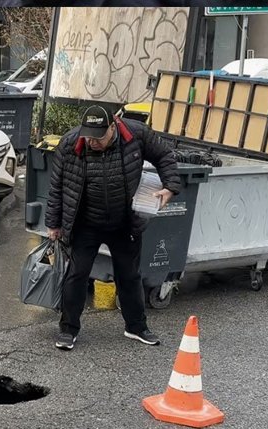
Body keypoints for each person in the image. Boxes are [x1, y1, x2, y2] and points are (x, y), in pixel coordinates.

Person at [45, 105, 181, 351]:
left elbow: (164, 156)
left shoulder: (136, 134)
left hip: (124, 222)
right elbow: (56, 186)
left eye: (98, 137)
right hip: (85, 222)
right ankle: (68, 330)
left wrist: (170, 186)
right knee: (76, 275)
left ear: (112, 127)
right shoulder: (70, 143)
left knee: (129, 276)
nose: (92, 142)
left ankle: (136, 327)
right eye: (88, 136)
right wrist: (53, 224)